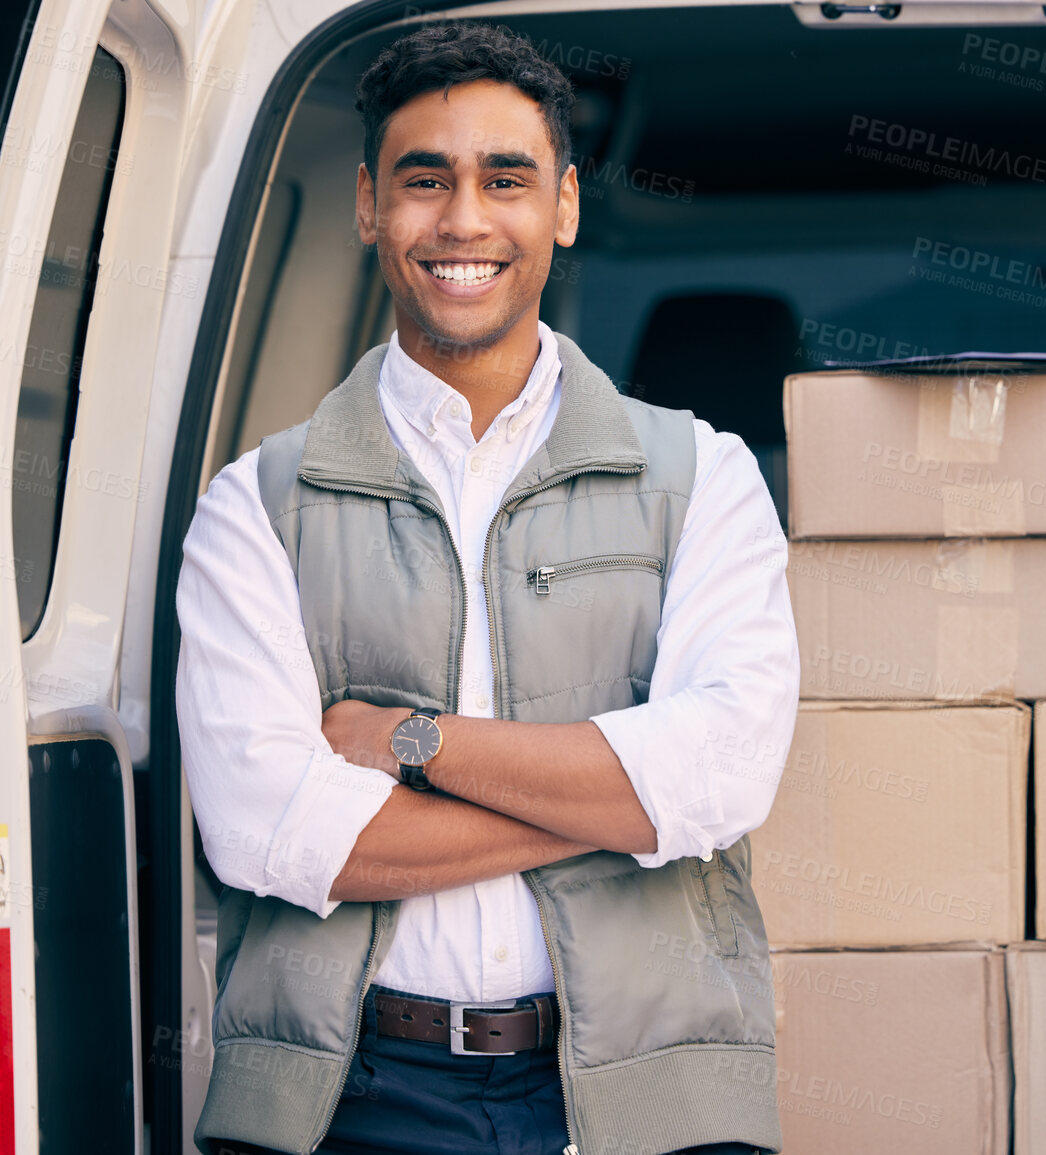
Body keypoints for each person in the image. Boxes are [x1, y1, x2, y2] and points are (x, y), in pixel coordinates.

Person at [175, 20, 796, 1155]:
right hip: (354, 1100)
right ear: (369, 205)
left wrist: (407, 740)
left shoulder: (704, 476)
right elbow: (277, 838)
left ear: (561, 206)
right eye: (426, 180)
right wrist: (614, 805)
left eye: (505, 179)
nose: (464, 220)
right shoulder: (254, 505)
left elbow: (721, 774)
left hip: (652, 1093)